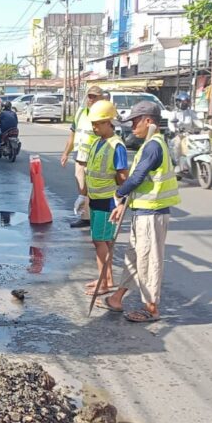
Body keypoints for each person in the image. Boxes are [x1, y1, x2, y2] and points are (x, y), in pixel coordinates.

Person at [101, 101, 180, 323]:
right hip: (142, 212)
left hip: (152, 214)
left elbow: (136, 178)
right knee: (134, 258)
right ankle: (117, 298)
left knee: (149, 261)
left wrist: (118, 195)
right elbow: (140, 181)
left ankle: (151, 308)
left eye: (135, 122)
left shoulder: (154, 146)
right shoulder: (148, 144)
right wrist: (123, 203)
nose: (132, 127)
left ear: (148, 120)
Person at [81, 101, 129, 296]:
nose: (95, 127)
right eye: (93, 124)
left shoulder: (117, 146)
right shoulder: (97, 142)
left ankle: (104, 283)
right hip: (95, 198)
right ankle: (106, 279)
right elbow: (89, 170)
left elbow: (123, 176)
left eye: (99, 123)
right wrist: (82, 195)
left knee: (100, 241)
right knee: (103, 241)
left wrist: (121, 200)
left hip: (108, 201)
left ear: (110, 122)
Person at [61, 85, 104, 229]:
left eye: (94, 97)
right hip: (80, 156)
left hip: (95, 158)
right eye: (89, 96)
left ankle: (95, 217)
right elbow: (72, 134)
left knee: (93, 188)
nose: (91, 99)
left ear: (101, 98)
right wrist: (66, 153)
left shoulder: (103, 114)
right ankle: (86, 217)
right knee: (81, 185)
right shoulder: (81, 112)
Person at [169, 92, 204, 173]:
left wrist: (203, 126)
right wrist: (175, 130)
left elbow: (196, 121)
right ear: (178, 102)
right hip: (178, 135)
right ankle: (178, 165)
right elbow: (170, 124)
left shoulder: (190, 112)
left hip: (190, 135)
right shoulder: (174, 113)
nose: (185, 104)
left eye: (187, 102)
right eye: (184, 102)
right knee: (177, 145)